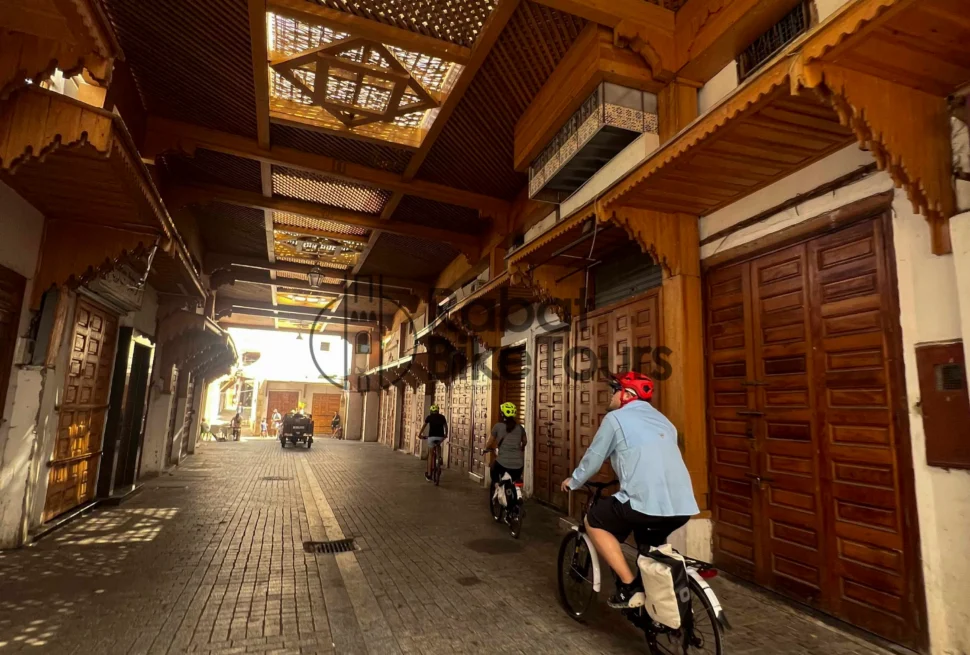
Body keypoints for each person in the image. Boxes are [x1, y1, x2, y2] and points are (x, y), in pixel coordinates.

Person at [560, 371, 699, 609]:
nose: (611, 396)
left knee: (594, 521)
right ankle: (655, 606)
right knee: (648, 553)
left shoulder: (615, 419)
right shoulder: (665, 421)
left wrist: (573, 481)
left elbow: (594, 458)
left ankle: (628, 587)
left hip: (644, 503)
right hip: (682, 507)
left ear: (627, 395)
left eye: (615, 391)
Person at [485, 402, 527, 489]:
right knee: (516, 480)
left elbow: (489, 442)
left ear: (502, 414)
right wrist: (521, 448)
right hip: (518, 464)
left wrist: (487, 448)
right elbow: (525, 441)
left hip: (502, 463)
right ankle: (517, 489)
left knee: (493, 469)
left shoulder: (497, 426)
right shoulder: (520, 428)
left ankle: (497, 487)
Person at [419, 404, 448, 481]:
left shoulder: (429, 417)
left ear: (431, 411)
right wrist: (446, 434)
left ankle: (429, 475)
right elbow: (445, 426)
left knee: (430, 455)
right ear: (438, 411)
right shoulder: (442, 417)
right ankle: (439, 458)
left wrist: (420, 434)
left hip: (431, 437)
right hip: (440, 437)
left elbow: (424, 426)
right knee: (438, 445)